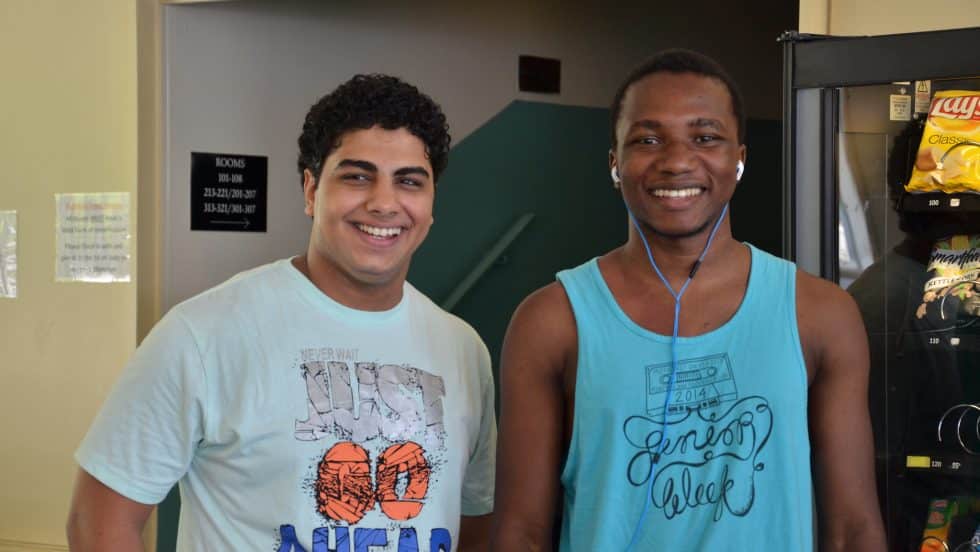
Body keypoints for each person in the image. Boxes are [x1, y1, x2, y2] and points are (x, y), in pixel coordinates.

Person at [66, 74, 496, 552]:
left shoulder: (463, 350)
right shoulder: (203, 335)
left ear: (432, 203)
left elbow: (473, 521)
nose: (383, 202)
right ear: (311, 190)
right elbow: (97, 523)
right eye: (356, 176)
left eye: (409, 182)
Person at [491, 49, 886, 551]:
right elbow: (520, 534)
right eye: (648, 139)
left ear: (739, 158)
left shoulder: (820, 314)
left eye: (705, 137)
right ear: (615, 164)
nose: (677, 161)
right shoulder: (551, 320)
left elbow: (854, 531)